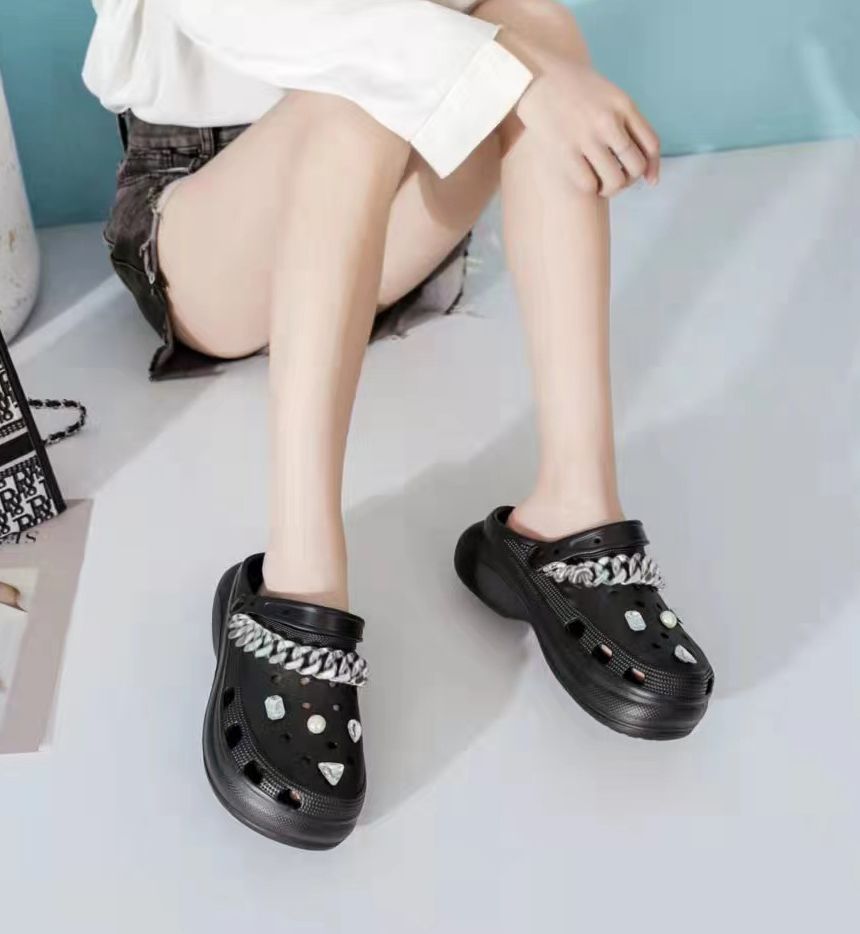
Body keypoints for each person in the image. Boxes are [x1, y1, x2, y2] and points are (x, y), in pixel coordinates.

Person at [83, 0, 714, 850]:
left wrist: (524, 58)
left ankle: (572, 506)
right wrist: (514, 73)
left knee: (540, 23)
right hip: (209, 221)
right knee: (362, 95)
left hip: (377, 211)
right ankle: (299, 575)